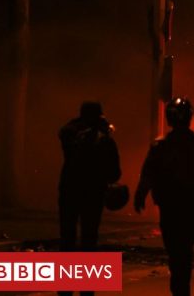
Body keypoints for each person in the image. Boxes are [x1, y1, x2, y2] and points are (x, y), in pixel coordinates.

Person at [134, 97, 194, 296]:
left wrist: (140, 196)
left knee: (175, 250)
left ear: (169, 119)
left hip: (171, 206)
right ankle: (182, 287)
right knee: (185, 250)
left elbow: (148, 174)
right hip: (192, 206)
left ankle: (179, 287)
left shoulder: (160, 146)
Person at [58, 101, 121, 296]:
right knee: (89, 240)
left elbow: (64, 132)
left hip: (69, 191)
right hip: (92, 195)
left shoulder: (70, 135)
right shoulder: (104, 140)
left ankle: (65, 288)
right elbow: (115, 173)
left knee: (67, 239)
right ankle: (86, 289)